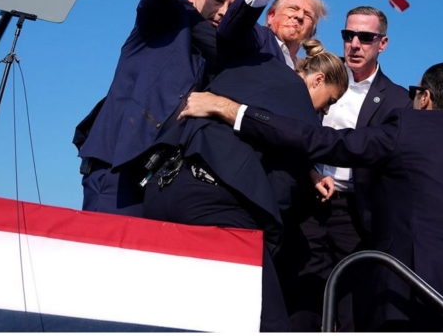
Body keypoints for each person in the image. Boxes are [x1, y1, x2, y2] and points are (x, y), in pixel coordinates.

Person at [180, 61, 443, 332]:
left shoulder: (406, 129)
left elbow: (321, 140)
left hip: (422, 307)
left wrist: (233, 110)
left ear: (424, 97)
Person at [145, 39, 348, 332]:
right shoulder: (304, 113)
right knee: (269, 321)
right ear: (318, 80)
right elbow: (281, 190)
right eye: (329, 101)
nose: (326, 111)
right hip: (216, 209)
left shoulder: (256, 64)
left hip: (162, 189)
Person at [72, 0, 241, 217]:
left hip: (163, 182)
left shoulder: (216, 55)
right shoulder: (160, 21)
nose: (223, 11)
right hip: (117, 171)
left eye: (230, 6)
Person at [285, 6, 411, 332]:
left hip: (356, 214)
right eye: (348, 35)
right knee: (301, 299)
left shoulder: (398, 100)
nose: (354, 44)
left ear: (382, 44)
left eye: (365, 37)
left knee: (353, 306)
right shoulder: (314, 76)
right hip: (306, 201)